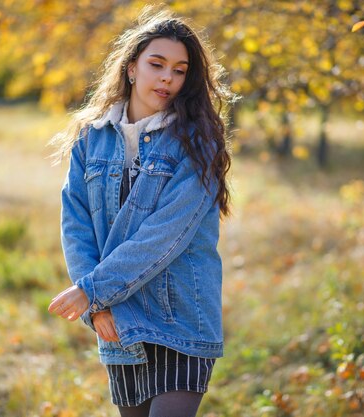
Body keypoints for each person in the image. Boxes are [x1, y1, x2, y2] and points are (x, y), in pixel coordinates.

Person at [47, 8, 234, 417]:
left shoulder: (197, 143)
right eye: (157, 64)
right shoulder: (90, 140)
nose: (168, 78)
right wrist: (97, 306)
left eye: (180, 70)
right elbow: (76, 225)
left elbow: (163, 238)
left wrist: (92, 292)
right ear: (131, 68)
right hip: (119, 321)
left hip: (180, 317)